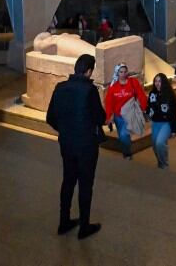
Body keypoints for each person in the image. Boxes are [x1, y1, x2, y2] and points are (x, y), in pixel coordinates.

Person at [45, 54, 106, 240]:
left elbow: (50, 118)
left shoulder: (60, 88)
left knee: (68, 180)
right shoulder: (89, 90)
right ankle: (84, 226)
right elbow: (100, 118)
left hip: (67, 143)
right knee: (85, 184)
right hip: (86, 144)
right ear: (89, 71)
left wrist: (65, 129)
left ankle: (64, 221)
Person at [103, 63, 147, 159]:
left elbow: (141, 94)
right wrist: (109, 116)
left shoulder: (133, 82)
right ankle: (126, 150)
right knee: (123, 136)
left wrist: (144, 108)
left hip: (130, 115)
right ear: (117, 73)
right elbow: (109, 102)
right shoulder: (113, 87)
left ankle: (127, 154)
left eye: (125, 71)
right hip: (119, 117)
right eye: (121, 72)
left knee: (124, 135)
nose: (123, 74)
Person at [146, 73, 176, 169]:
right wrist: (146, 113)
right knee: (154, 145)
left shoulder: (169, 94)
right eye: (155, 81)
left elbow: (174, 113)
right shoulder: (152, 93)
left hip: (166, 123)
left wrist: (174, 130)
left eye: (159, 81)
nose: (157, 83)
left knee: (160, 143)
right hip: (155, 123)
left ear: (164, 82)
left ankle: (164, 164)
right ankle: (160, 163)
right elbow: (149, 107)